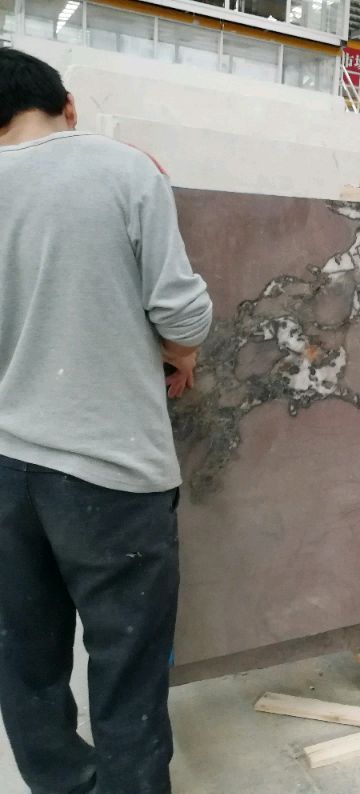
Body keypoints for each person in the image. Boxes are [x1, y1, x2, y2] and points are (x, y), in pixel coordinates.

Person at [0, 49, 212, 793]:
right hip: (110, 471)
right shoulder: (123, 168)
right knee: (126, 668)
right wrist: (180, 354)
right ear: (68, 105)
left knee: (24, 660)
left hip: (5, 469)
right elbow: (181, 311)